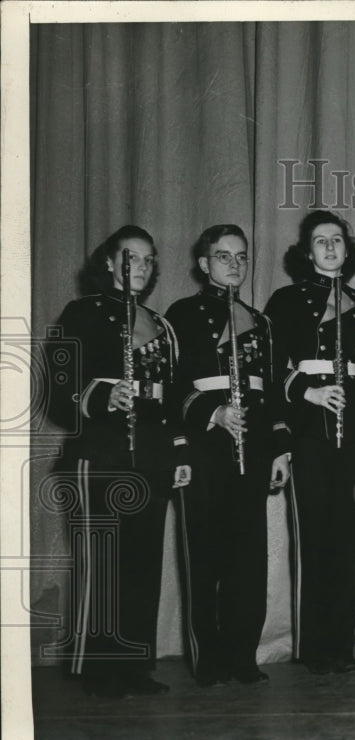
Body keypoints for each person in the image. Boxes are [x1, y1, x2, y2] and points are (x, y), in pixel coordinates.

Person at [47, 225, 189, 697]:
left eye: (148, 259)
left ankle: (133, 665)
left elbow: (173, 401)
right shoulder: (82, 312)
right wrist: (103, 395)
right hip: (99, 455)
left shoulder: (162, 323)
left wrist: (178, 452)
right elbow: (56, 391)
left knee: (143, 563)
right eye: (131, 258)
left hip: (151, 457)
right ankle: (96, 669)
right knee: (103, 562)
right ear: (108, 263)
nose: (141, 267)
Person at [166, 224, 291, 686]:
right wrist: (213, 413)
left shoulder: (261, 320)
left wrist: (279, 450)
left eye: (241, 257)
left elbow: (274, 392)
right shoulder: (180, 314)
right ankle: (208, 659)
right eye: (223, 257)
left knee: (248, 558)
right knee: (205, 557)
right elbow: (173, 388)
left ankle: (242, 656)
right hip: (204, 446)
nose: (235, 264)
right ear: (204, 265)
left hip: (253, 447)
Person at [264, 211, 355, 675]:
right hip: (309, 429)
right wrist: (307, 392)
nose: (331, 248)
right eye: (321, 241)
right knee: (313, 540)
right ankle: (315, 649)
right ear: (307, 251)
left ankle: (342, 646)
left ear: (347, 248)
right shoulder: (285, 299)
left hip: (354, 431)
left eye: (337, 240)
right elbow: (273, 368)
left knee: (346, 541)